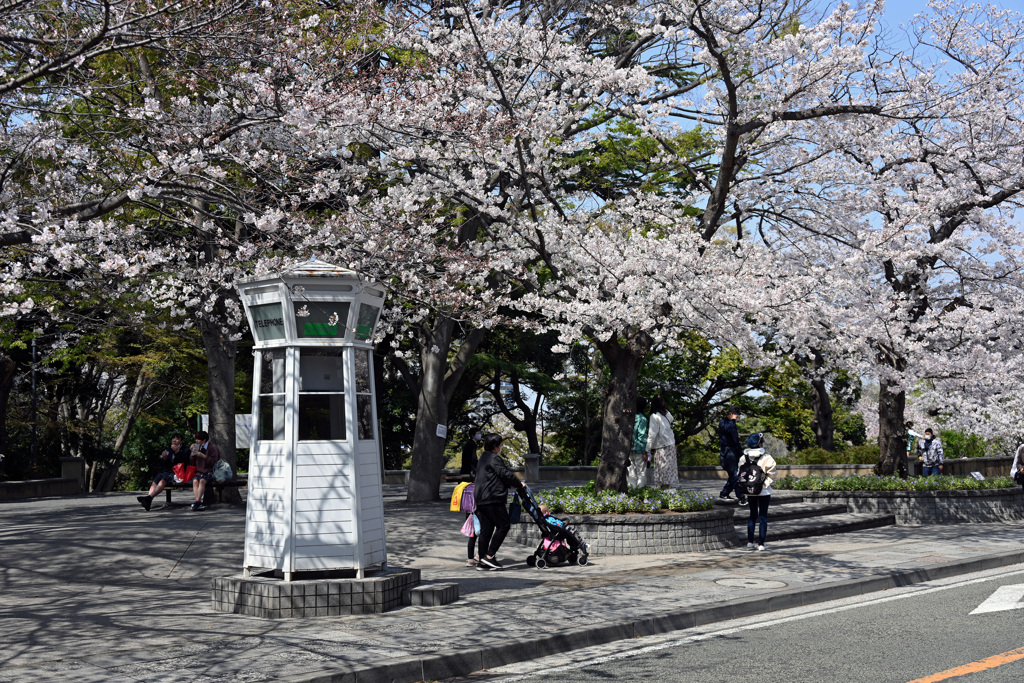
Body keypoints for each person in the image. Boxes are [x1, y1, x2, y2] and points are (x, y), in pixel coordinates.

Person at [473, 433, 525, 571]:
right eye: (500, 445)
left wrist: (507, 484)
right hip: (492, 498)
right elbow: (505, 474)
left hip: (480, 498)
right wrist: (519, 484)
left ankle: (482, 562)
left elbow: (492, 477)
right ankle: (489, 556)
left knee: (487, 529)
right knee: (503, 525)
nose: (501, 447)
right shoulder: (494, 458)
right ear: (495, 447)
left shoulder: (483, 457)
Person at [740, 433, 777, 551]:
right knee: (763, 517)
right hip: (764, 491)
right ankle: (761, 543)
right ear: (759, 443)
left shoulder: (743, 457)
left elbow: (740, 474)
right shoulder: (767, 457)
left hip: (750, 491)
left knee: (752, 515)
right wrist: (764, 485)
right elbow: (772, 474)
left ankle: (750, 541)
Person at [136, 433, 190, 511]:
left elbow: (184, 462)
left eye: (177, 439)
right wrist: (164, 458)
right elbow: (166, 464)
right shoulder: (169, 449)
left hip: (177, 472)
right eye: (173, 438)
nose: (174, 440)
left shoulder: (185, 449)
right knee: (154, 482)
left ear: (181, 441)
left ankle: (148, 499)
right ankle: (148, 500)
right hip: (167, 470)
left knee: (162, 481)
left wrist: (178, 452)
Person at [646, 394, 678, 489]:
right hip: (671, 443)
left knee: (662, 470)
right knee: (669, 469)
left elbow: (652, 434)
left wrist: (647, 449)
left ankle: (663, 492)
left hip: (662, 446)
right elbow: (671, 419)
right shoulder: (667, 413)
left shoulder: (654, 416)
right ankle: (667, 490)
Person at [718, 406, 747, 506]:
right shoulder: (724, 422)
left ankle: (736, 496)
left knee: (735, 475)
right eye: (736, 415)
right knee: (735, 475)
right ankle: (735, 495)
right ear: (730, 414)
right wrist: (733, 420)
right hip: (727, 453)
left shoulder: (732, 423)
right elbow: (727, 429)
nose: (738, 417)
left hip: (735, 452)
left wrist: (740, 451)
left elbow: (735, 440)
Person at [190, 431, 221, 511]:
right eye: (196, 439)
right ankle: (198, 502)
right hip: (199, 471)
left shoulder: (212, 447)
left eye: (198, 439)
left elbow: (214, 461)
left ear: (204, 440)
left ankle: (197, 502)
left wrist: (203, 456)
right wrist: (192, 452)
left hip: (209, 471)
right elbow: (192, 460)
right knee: (195, 481)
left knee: (202, 481)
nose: (196, 441)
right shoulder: (197, 447)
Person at [627, 396, 649, 489]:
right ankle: (641, 493)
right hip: (639, 449)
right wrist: (645, 451)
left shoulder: (629, 417)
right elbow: (642, 435)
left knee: (631, 474)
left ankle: (631, 491)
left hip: (629, 449)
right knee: (642, 473)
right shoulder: (642, 419)